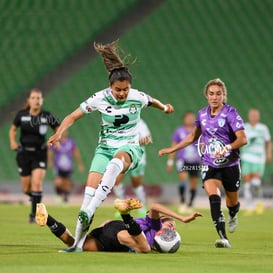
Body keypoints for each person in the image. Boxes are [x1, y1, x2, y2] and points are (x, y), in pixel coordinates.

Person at [47, 40, 174, 252]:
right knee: (86, 198)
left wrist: (165, 108)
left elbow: (153, 101)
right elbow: (73, 116)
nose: (122, 93)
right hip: (104, 149)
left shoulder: (137, 97)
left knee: (116, 162)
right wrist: (59, 133)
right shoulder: (99, 98)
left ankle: (92, 208)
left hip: (129, 148)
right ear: (110, 87)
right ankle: (76, 245)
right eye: (118, 90)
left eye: (125, 89)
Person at [158, 78, 248, 248]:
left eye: (218, 94)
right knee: (213, 197)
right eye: (211, 94)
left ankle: (233, 213)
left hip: (230, 164)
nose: (215, 97)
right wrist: (172, 150)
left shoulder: (231, 113)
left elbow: (243, 139)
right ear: (206, 95)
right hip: (209, 163)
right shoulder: (202, 114)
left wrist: (227, 147)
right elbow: (193, 136)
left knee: (231, 202)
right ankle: (223, 237)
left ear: (223, 96)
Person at [35, 199, 203, 253]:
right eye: (172, 226)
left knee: (74, 244)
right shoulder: (155, 224)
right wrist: (181, 218)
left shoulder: (157, 234)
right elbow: (155, 206)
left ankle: (48, 218)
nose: (173, 229)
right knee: (143, 248)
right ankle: (125, 212)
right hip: (121, 232)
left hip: (107, 237)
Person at [9, 88, 60, 223]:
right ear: (28, 100)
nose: (36, 100)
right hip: (24, 153)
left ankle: (34, 215)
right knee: (26, 189)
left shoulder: (47, 116)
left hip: (40, 153)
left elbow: (58, 128)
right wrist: (13, 142)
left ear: (42, 100)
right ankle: (35, 199)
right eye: (33, 98)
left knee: (36, 184)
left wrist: (57, 139)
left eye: (39, 98)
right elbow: (13, 130)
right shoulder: (21, 115)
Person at [113, 118, 152, 217]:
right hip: (122, 157)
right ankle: (122, 208)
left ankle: (142, 209)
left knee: (136, 184)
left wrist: (131, 142)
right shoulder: (119, 120)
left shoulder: (140, 123)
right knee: (116, 181)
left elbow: (147, 139)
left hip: (138, 158)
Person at [166, 111, 201, 213]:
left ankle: (190, 204)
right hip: (182, 160)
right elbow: (173, 146)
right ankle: (182, 202)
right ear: (184, 119)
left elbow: (203, 144)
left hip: (195, 160)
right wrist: (170, 162)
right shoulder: (179, 131)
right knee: (182, 179)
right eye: (188, 117)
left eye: (192, 117)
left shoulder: (198, 130)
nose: (190, 119)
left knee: (193, 183)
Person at [240, 108, 272, 215]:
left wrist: (268, 153)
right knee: (247, 184)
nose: (254, 117)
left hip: (258, 158)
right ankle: (250, 207)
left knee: (256, 183)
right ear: (249, 116)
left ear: (258, 117)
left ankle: (259, 203)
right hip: (246, 157)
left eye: (255, 115)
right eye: (252, 115)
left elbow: (268, 142)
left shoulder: (263, 128)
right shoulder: (244, 127)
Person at [48, 130, 85, 204]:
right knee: (58, 182)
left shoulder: (71, 142)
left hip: (68, 166)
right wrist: (49, 160)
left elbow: (76, 153)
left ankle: (65, 198)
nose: (64, 133)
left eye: (65, 131)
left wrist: (80, 164)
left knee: (67, 183)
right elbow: (50, 152)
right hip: (58, 166)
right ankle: (58, 196)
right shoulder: (56, 142)